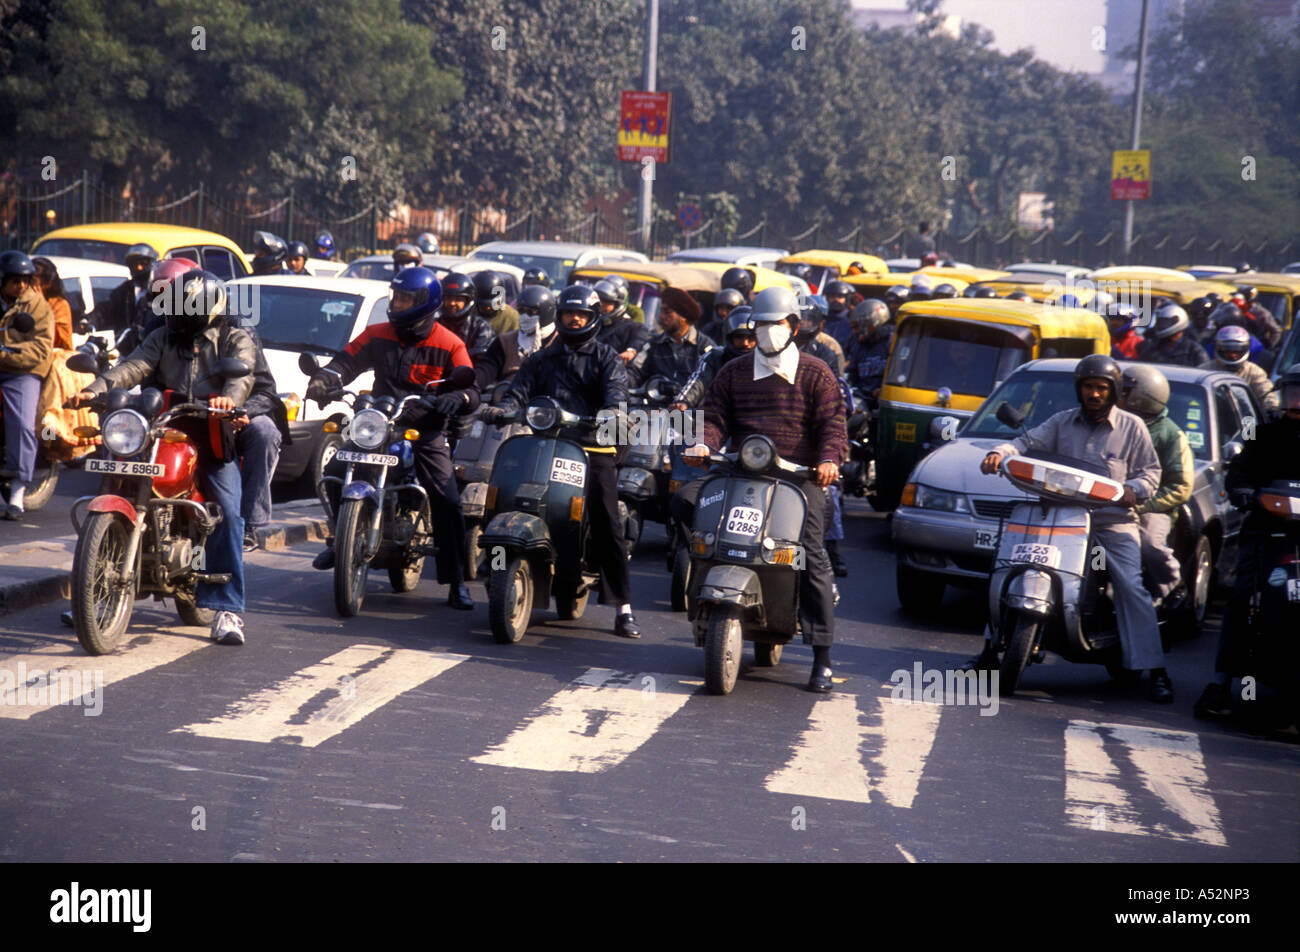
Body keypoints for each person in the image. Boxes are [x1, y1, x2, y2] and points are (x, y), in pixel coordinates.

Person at [66, 271, 255, 644]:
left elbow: (242, 377)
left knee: (229, 514)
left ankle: (228, 609)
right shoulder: (162, 336)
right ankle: (92, 597)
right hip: (162, 428)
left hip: (212, 431)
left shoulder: (233, 337)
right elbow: (134, 366)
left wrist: (228, 399)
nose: (178, 314)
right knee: (119, 478)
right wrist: (95, 388)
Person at [970, 354, 1170, 702]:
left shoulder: (1132, 427)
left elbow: (1150, 474)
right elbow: (1023, 444)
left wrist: (1131, 491)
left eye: (1101, 388)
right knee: (1007, 564)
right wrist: (998, 453)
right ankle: (989, 652)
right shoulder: (1062, 421)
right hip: (1059, 515)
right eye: (1089, 387)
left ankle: (1154, 669)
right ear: (1079, 389)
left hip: (1111, 522)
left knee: (1129, 584)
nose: (1094, 394)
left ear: (1113, 391)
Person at [678, 286, 846, 692]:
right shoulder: (733, 371)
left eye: (778, 324)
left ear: (794, 326)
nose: (769, 331)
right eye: (763, 324)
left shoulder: (816, 372)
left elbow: (832, 426)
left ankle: (821, 656)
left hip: (798, 480)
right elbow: (715, 416)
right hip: (740, 474)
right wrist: (704, 443)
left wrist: (828, 461)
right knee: (686, 502)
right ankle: (704, 599)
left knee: (811, 555)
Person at [305, 267, 479, 610]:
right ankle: (341, 535)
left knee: (448, 499)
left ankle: (456, 580)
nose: (397, 304)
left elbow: (470, 386)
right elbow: (345, 362)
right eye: (396, 297)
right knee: (336, 471)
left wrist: (456, 398)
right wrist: (325, 379)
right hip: (379, 424)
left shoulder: (449, 343)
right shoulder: (377, 333)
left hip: (424, 430)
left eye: (405, 299)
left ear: (425, 303)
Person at [480, 285, 639, 639]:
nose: (574, 319)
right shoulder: (542, 357)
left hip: (590, 447)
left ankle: (623, 607)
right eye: (569, 313)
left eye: (581, 314)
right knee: (502, 498)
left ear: (593, 318)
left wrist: (612, 413)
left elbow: (616, 393)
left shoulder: (606, 358)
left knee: (607, 521)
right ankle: (495, 568)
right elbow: (518, 390)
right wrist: (501, 409)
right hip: (542, 442)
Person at [1194, 364, 1300, 721]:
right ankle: (1222, 685)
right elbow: (1240, 469)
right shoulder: (1265, 433)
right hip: (1267, 533)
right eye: (1294, 393)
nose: (1297, 402)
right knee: (1242, 599)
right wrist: (1242, 490)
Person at [1119, 364, 1192, 609]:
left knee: (1149, 546)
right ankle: (1096, 590)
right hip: (1109, 503)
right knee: (1094, 548)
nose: (1118, 394)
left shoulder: (1171, 434)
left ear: (1143, 396)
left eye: (1125, 390)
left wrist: (1143, 505)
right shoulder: (1114, 423)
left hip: (1152, 509)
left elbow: (1181, 486)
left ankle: (1171, 587)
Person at [0, 251, 56, 519]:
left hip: (21, 372)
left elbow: (41, 348)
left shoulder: (37, 306)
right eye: (15, 281)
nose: (21, 286)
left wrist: (5, 354)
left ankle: (17, 493)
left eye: (25, 280)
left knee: (22, 423)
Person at [627, 286, 714, 391]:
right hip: (654, 405)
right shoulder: (652, 345)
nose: (662, 316)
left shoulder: (706, 348)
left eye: (667, 312)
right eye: (661, 311)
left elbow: (711, 383)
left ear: (683, 316)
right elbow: (634, 372)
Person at [474, 284, 557, 389]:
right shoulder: (505, 342)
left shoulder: (562, 342)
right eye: (522, 311)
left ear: (547, 312)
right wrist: (468, 390)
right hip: (507, 398)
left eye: (532, 312)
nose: (525, 316)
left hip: (547, 401)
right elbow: (486, 370)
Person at [672, 307, 755, 410]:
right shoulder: (715, 356)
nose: (745, 343)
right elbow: (699, 381)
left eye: (750, 338)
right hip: (720, 415)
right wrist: (683, 401)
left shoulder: (765, 360)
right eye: (739, 337)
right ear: (730, 337)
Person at [1200, 325, 1278, 411]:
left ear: (1245, 348)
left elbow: (1266, 393)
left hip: (1244, 418)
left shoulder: (1254, 372)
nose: (1232, 355)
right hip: (1212, 414)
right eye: (1227, 351)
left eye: (1237, 351)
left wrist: (1272, 407)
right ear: (1217, 348)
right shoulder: (1205, 370)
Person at [437, 271, 496, 362]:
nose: (452, 303)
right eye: (448, 298)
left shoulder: (480, 328)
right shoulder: (434, 326)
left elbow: (482, 362)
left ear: (468, 301)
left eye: (458, 299)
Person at [104, 243, 158, 334]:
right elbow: (106, 308)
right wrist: (89, 320)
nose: (139, 268)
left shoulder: (160, 290)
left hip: (151, 343)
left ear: (151, 264)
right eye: (134, 264)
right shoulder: (125, 290)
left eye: (143, 263)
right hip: (126, 343)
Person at [594, 277, 649, 364]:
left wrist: (631, 351)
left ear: (618, 303)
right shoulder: (592, 325)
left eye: (607, 301)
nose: (601, 305)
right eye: (599, 301)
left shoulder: (632, 327)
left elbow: (640, 338)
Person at [1136, 303, 1203, 367]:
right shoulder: (1152, 349)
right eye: (1161, 323)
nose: (1163, 326)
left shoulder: (1194, 350)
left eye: (1167, 322)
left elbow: (1203, 372)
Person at [794, 295, 844, 377]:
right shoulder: (779, 345)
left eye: (808, 318)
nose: (802, 322)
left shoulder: (828, 350)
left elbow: (834, 382)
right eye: (798, 318)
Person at [1234, 286, 1282, 350]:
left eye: (1241, 300)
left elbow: (1275, 332)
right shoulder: (1236, 310)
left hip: (1254, 347)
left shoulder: (1263, 313)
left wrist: (1266, 347)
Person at [473, 270, 518, 336]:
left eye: (492, 306)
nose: (488, 309)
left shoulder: (512, 318)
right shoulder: (469, 314)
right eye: (483, 307)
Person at [821, 280, 856, 352]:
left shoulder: (853, 320)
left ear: (846, 299)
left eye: (840, 297)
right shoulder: (821, 319)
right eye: (832, 297)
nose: (836, 300)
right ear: (827, 298)